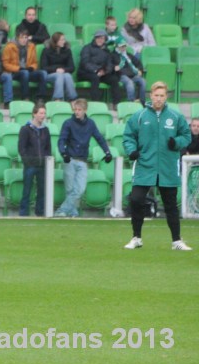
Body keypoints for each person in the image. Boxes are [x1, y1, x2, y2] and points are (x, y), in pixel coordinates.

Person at [123, 82, 191, 251]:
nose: (158, 98)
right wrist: (132, 151)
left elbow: (186, 135)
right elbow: (128, 136)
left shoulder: (175, 117)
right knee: (136, 199)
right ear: (151, 96)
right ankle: (136, 237)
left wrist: (176, 143)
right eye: (156, 95)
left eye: (162, 95)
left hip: (167, 167)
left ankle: (176, 241)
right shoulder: (139, 116)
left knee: (170, 205)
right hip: (145, 165)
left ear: (166, 97)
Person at [54, 99, 112, 218]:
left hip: (83, 160)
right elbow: (62, 140)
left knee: (79, 189)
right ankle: (73, 213)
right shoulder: (68, 123)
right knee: (70, 190)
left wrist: (107, 152)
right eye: (75, 109)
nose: (77, 112)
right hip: (70, 159)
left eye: (79, 110)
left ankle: (61, 211)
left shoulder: (90, 124)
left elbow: (99, 138)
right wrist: (63, 153)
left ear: (85, 110)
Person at [18, 103, 51, 217]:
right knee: (27, 190)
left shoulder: (45, 130)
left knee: (42, 190)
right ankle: (24, 212)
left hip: (42, 165)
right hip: (30, 165)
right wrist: (28, 161)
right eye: (41, 113)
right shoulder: (25, 129)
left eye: (44, 113)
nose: (43, 115)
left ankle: (40, 212)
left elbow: (48, 147)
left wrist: (46, 160)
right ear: (34, 114)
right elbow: (22, 148)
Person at [2, 28, 48, 103]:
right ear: (17, 38)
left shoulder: (31, 46)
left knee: (43, 73)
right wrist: (18, 68)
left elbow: (35, 62)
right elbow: (5, 64)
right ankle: (25, 98)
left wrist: (32, 67)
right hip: (14, 72)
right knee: (24, 73)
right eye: (21, 37)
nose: (24, 40)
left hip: (27, 71)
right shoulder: (9, 46)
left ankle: (40, 98)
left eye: (26, 37)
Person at [79, 29, 122, 107]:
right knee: (95, 78)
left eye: (102, 38)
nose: (100, 40)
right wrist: (96, 70)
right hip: (86, 73)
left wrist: (105, 71)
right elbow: (85, 63)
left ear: (105, 40)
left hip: (102, 73)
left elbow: (110, 64)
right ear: (95, 38)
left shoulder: (107, 51)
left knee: (114, 79)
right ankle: (96, 103)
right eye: (98, 38)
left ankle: (116, 103)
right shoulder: (87, 48)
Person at [40, 31, 78, 102]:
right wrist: (56, 69)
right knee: (59, 75)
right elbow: (43, 67)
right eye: (61, 40)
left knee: (68, 76)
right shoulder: (46, 50)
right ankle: (57, 98)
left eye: (64, 39)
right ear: (55, 41)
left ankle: (72, 99)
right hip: (50, 74)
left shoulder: (67, 51)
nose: (64, 41)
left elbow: (72, 67)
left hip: (63, 73)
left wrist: (63, 70)